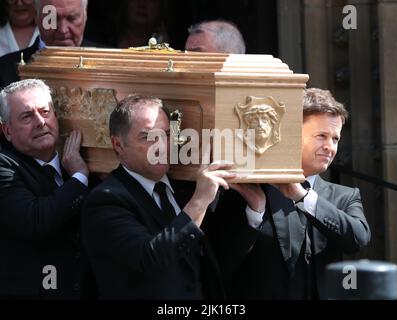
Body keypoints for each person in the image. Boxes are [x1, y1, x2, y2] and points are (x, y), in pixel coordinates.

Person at [207, 88, 371, 299]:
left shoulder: (345, 196)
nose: (330, 147)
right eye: (321, 136)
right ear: (290, 134)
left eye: (335, 139)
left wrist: (303, 197)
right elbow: (222, 263)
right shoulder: (249, 191)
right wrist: (255, 212)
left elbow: (358, 238)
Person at [81, 94, 235, 299]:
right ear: (118, 145)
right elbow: (150, 258)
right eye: (147, 137)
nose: (162, 145)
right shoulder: (105, 200)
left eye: (166, 134)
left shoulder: (184, 188)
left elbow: (216, 254)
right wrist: (199, 201)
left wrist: (256, 208)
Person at [0, 79, 94, 299]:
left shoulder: (83, 160)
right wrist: (79, 177)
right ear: (7, 131)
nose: (40, 122)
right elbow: (35, 220)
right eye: (27, 116)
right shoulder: (4, 165)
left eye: (45, 112)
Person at [0, 0, 97, 88]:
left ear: (85, 14)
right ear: (37, 15)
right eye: (51, 19)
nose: (63, 30)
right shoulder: (4, 70)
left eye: (71, 18)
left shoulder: (110, 64)